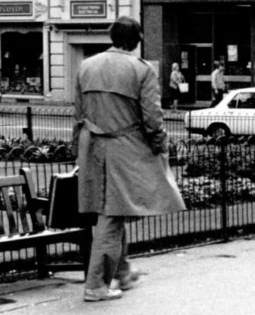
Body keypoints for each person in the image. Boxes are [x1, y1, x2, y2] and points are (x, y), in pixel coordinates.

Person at [73, 16, 185, 302]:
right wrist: (160, 145)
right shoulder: (141, 69)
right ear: (136, 41)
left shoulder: (86, 66)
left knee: (113, 212)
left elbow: (78, 115)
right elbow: (152, 118)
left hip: (92, 147)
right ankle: (96, 284)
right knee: (111, 217)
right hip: (125, 147)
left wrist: (78, 151)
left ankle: (122, 272)